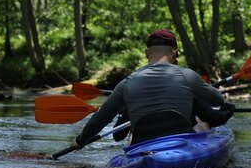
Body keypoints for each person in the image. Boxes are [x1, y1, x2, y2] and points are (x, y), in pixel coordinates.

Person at [72, 29, 234, 148]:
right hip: (181, 144)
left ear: (146, 53)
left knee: (132, 134)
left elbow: (102, 118)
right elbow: (217, 100)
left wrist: (80, 140)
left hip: (143, 146)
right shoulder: (188, 76)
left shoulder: (126, 83)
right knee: (203, 125)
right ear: (175, 53)